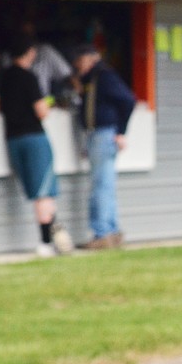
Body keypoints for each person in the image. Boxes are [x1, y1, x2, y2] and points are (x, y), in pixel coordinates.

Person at [0, 33, 73, 257]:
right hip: (34, 138)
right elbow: (41, 111)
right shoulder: (28, 77)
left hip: (13, 139)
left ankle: (56, 234)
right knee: (44, 192)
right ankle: (45, 243)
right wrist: (50, 102)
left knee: (36, 190)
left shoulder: (4, 77)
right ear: (29, 52)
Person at [71, 43, 135, 249]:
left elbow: (128, 100)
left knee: (100, 187)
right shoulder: (90, 80)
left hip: (105, 133)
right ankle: (112, 232)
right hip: (95, 135)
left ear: (89, 58)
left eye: (79, 61)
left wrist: (120, 131)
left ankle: (101, 234)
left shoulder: (105, 76)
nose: (77, 66)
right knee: (105, 185)